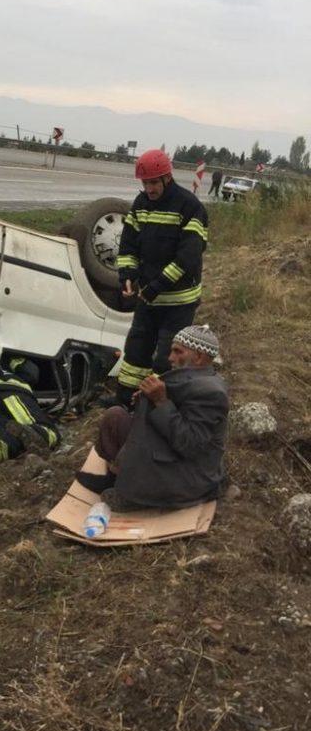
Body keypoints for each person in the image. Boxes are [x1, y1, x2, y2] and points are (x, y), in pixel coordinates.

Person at [79, 324, 228, 510]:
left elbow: (190, 444)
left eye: (178, 352)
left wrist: (160, 401)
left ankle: (136, 497)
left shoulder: (210, 393)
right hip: (173, 453)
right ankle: (116, 479)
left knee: (144, 433)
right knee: (115, 417)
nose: (170, 358)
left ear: (198, 357)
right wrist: (146, 401)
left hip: (189, 477)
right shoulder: (192, 378)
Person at [112, 148, 209, 408]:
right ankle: (125, 401)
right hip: (148, 298)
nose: (149, 189)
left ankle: (157, 407)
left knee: (167, 358)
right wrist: (127, 275)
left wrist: (157, 286)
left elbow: (188, 257)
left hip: (179, 302)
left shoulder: (189, 207)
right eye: (145, 183)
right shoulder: (141, 203)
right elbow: (128, 245)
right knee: (136, 352)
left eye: (154, 183)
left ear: (167, 178)